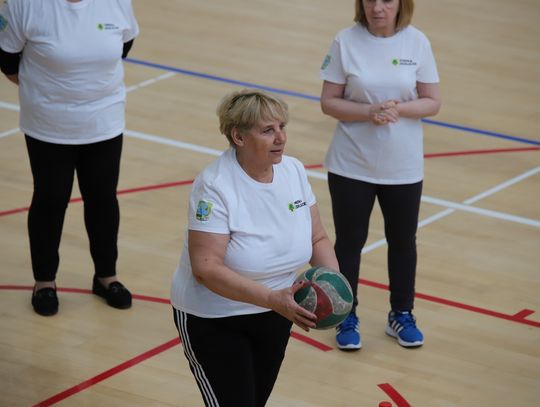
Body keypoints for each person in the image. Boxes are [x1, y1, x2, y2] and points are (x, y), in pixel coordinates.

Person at [170, 89, 340, 407]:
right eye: (268, 130)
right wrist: (273, 299)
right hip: (216, 318)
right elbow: (206, 268)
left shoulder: (293, 171)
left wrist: (333, 285)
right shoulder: (214, 186)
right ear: (238, 136)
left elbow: (317, 238)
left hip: (276, 312)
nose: (281, 138)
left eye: (282, 127)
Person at [0, 0, 139, 316]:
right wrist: (51, 91)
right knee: (50, 199)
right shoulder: (25, 5)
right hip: (48, 125)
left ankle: (106, 277)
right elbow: (7, 61)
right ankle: (44, 282)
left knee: (102, 198)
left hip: (104, 121)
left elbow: (124, 45)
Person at [319, 0, 441, 350]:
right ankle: (346, 315)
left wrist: (399, 109)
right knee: (349, 242)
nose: (377, 7)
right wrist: (368, 112)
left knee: (402, 241)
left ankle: (401, 314)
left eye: (386, 0)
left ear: (401, 4)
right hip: (350, 164)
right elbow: (329, 101)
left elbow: (432, 101)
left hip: (403, 167)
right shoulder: (345, 41)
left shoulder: (417, 42)